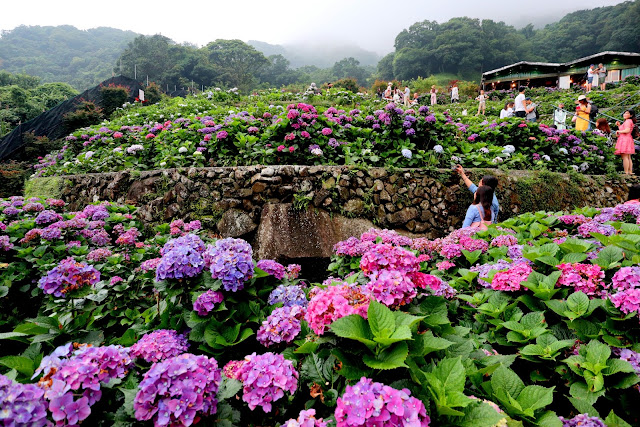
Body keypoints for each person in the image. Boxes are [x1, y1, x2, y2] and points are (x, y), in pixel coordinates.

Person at [615, 109, 637, 175]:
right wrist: (619, 126)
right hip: (628, 138)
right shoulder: (629, 121)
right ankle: (630, 171)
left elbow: (627, 130)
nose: (625, 114)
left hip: (624, 139)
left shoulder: (627, 121)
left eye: (627, 113)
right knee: (628, 157)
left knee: (625, 157)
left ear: (631, 115)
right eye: (624, 113)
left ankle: (626, 172)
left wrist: (618, 131)